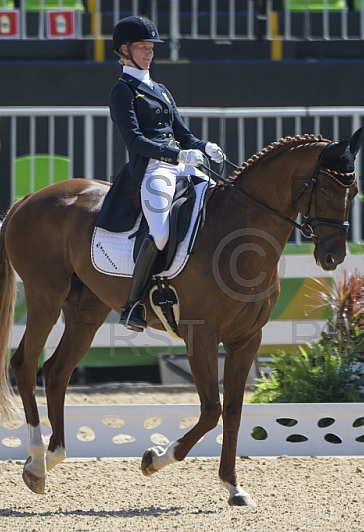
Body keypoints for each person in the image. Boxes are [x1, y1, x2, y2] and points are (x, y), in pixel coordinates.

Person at [108, 15, 226, 332]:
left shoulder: (160, 89)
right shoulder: (123, 92)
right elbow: (134, 140)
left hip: (181, 165)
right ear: (124, 50)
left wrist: (205, 146)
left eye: (151, 47)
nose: (149, 53)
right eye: (142, 47)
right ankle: (132, 305)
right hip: (151, 170)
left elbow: (184, 135)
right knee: (160, 232)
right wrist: (177, 154)